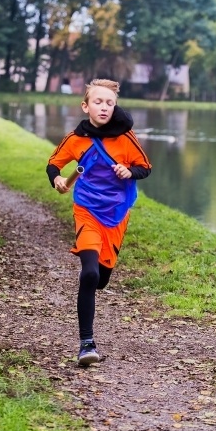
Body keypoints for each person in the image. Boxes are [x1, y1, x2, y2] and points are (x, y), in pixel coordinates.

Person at [46, 78, 151, 366]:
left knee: (102, 278)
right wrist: (56, 178)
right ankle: (86, 344)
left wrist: (129, 171)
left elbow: (145, 167)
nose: (104, 107)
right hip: (86, 210)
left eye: (109, 103)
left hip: (116, 214)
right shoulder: (76, 138)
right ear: (86, 105)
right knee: (89, 274)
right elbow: (54, 163)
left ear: (115, 107)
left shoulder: (126, 138)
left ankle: (101, 274)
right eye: (98, 101)